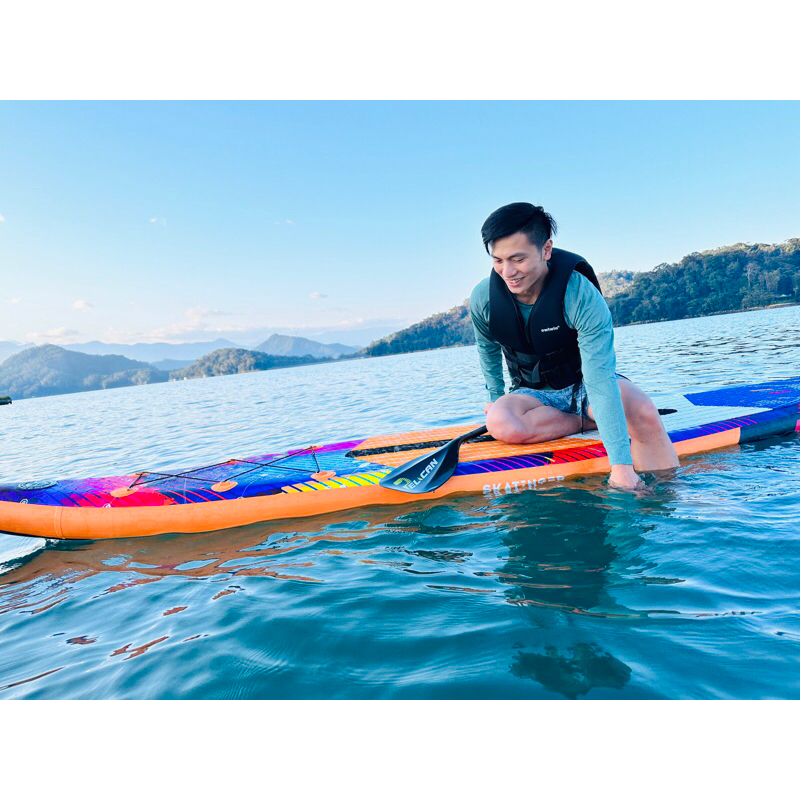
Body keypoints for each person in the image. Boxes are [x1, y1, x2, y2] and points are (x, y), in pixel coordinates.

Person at [469, 202, 679, 490]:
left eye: (518, 259)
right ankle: (589, 421)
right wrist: (494, 396)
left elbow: (600, 378)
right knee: (500, 422)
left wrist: (621, 467)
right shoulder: (484, 298)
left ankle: (669, 492)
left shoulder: (580, 295)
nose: (508, 271)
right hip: (532, 393)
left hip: (586, 385)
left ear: (546, 249)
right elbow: (487, 347)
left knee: (643, 411)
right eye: (498, 261)